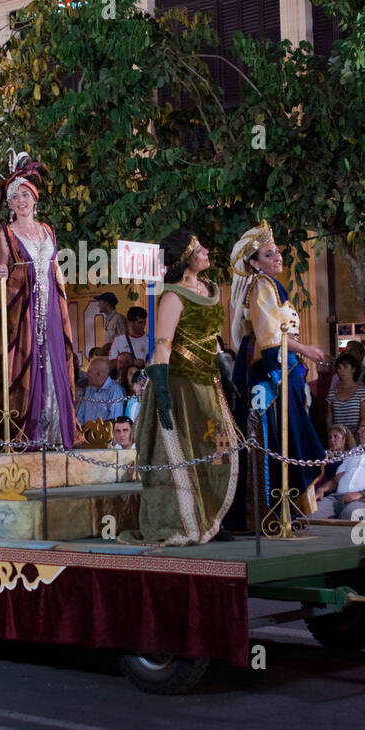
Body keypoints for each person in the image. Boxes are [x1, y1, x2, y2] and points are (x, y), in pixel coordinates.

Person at [119, 229, 237, 546]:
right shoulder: (173, 295)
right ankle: (189, 520)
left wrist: (224, 371)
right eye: (199, 248)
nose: (206, 250)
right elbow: (163, 346)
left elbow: (212, 341)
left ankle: (213, 518)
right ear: (186, 258)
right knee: (188, 452)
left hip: (209, 385)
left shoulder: (210, 289)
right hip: (183, 387)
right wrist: (161, 390)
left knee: (219, 452)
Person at [228, 221, 326, 530]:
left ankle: (286, 508)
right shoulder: (261, 286)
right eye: (269, 255)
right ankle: (269, 511)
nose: (278, 258)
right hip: (270, 373)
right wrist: (306, 349)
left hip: (284, 368)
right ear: (254, 263)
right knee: (276, 436)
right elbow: (270, 337)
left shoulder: (271, 285)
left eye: (277, 252)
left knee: (291, 438)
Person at [0, 152, 78, 449]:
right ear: (9, 204)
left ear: (35, 199)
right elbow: (1, 272)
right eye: (15, 197)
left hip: (50, 305)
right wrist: (0, 272)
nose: (21, 200)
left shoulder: (47, 230)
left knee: (54, 359)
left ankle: (57, 432)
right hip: (22, 310)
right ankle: (29, 430)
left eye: (26, 194)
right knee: (26, 361)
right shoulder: (5, 235)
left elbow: (55, 268)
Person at [326, 353, 365, 434]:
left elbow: (364, 418)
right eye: (339, 368)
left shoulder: (362, 391)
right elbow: (329, 420)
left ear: (353, 369)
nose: (341, 371)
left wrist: (357, 439)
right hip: (338, 437)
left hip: (356, 436)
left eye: (345, 367)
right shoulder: (332, 393)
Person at [76, 356, 125, 424]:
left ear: (98, 374)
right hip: (86, 433)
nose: (87, 374)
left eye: (89, 371)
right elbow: (80, 417)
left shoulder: (114, 390)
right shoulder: (89, 389)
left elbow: (114, 421)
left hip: (105, 434)